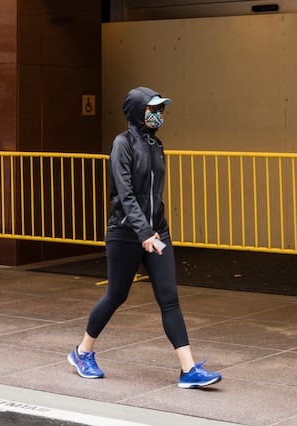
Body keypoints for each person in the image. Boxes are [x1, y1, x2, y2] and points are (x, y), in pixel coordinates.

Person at [68, 86, 222, 389]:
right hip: (126, 232)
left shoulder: (156, 145)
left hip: (156, 233)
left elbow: (154, 195)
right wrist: (143, 233)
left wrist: (158, 230)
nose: (159, 114)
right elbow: (125, 194)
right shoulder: (122, 144)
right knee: (116, 295)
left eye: (161, 109)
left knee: (169, 298)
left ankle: (188, 370)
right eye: (153, 109)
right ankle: (82, 352)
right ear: (138, 111)